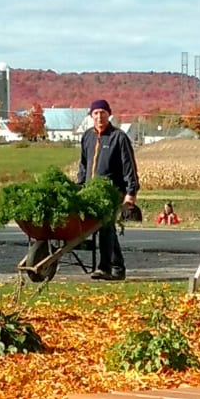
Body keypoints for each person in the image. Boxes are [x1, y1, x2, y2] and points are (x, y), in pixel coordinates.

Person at [76, 99, 139, 281]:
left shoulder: (118, 137)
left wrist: (131, 193)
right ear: (91, 116)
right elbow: (83, 164)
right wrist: (80, 185)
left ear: (109, 114)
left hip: (113, 191)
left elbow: (129, 167)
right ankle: (117, 268)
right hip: (91, 191)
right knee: (104, 227)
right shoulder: (87, 137)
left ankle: (106, 267)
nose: (99, 116)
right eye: (95, 113)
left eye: (102, 112)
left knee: (105, 226)